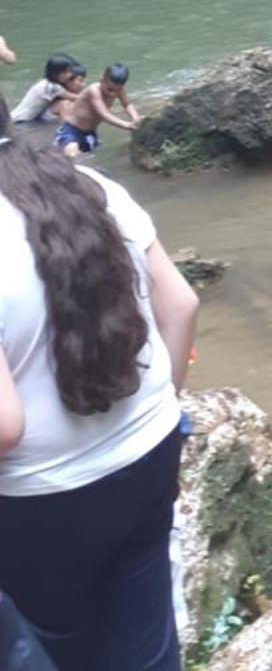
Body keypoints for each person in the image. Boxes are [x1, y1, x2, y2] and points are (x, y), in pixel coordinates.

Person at [0, 94, 200, 671]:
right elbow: (182, 305)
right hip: (152, 451)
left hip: (42, 498)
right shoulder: (89, 183)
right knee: (147, 639)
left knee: (62, 646)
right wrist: (161, 408)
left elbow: (6, 427)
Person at [56, 64, 138, 157]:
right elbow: (104, 115)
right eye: (110, 89)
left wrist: (135, 118)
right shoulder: (94, 90)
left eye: (118, 90)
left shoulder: (119, 90)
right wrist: (127, 125)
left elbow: (127, 104)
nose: (113, 94)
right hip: (72, 129)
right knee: (71, 154)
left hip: (90, 133)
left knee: (91, 158)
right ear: (102, 81)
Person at [11, 56, 84, 126]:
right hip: (20, 121)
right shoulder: (52, 87)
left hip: (17, 118)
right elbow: (76, 98)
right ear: (56, 74)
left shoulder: (45, 82)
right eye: (66, 72)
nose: (69, 75)